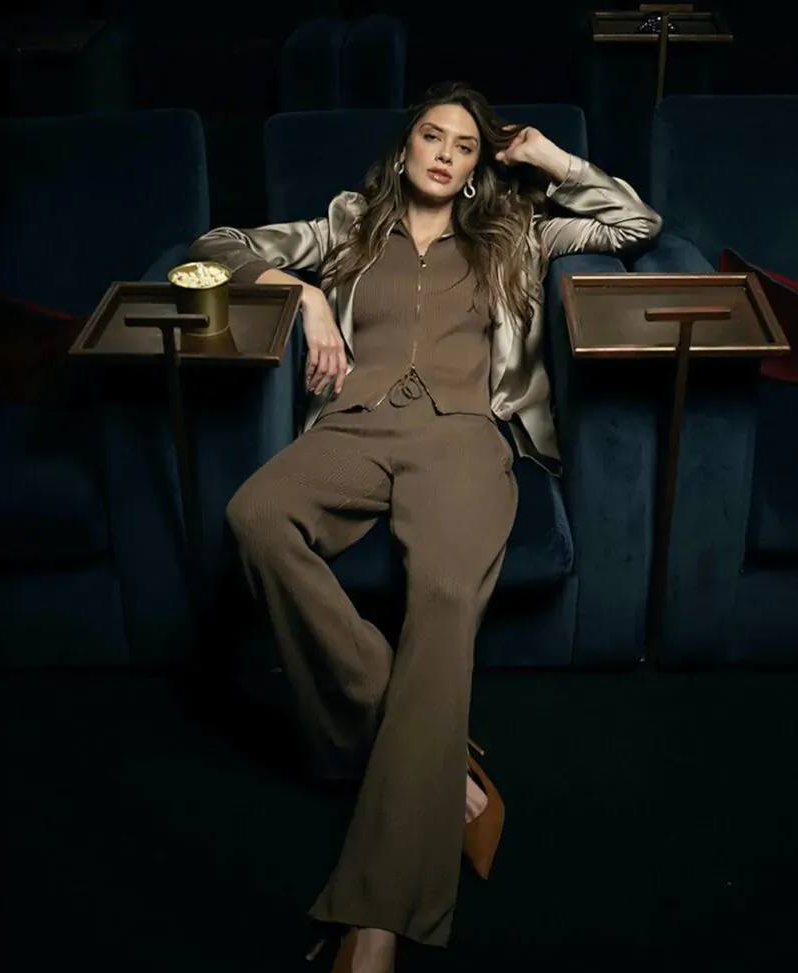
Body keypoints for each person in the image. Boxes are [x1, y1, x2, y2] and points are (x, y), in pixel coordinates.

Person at [188, 81, 661, 972]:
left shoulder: (515, 233)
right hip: (357, 426)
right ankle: (444, 770)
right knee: (254, 516)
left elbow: (633, 224)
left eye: (465, 146)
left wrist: (549, 159)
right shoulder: (350, 225)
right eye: (430, 137)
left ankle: (376, 922)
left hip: (464, 439)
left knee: (442, 594)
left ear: (480, 163)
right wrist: (305, 295)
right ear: (404, 147)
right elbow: (211, 252)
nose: (444, 154)